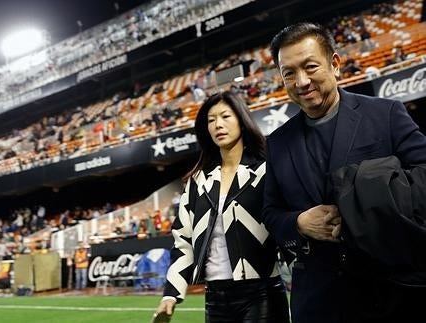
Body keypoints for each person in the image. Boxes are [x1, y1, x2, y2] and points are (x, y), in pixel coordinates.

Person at [262, 22, 426, 323]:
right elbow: (271, 212)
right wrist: (298, 223)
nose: (301, 81)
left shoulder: (386, 113)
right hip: (316, 303)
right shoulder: (276, 144)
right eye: (289, 73)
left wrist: (366, 194)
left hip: (392, 295)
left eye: (310, 67)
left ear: (334, 64)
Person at [155, 91, 290, 322]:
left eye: (226, 116)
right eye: (211, 120)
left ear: (241, 119)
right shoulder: (197, 182)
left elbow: (287, 225)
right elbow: (183, 241)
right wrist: (170, 295)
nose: (218, 124)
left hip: (262, 293)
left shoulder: (265, 171)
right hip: (215, 297)